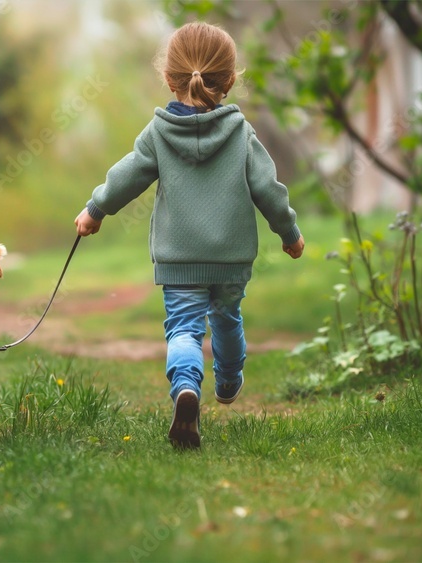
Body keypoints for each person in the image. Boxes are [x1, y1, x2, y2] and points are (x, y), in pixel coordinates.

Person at [74, 22, 304, 449]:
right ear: (230, 80)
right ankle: (230, 378)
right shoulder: (241, 133)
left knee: (183, 329)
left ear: (168, 77)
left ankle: (186, 387)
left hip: (179, 259)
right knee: (227, 317)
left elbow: (127, 177)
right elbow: (269, 190)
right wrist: (288, 232)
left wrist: (95, 210)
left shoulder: (159, 133)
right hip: (232, 260)